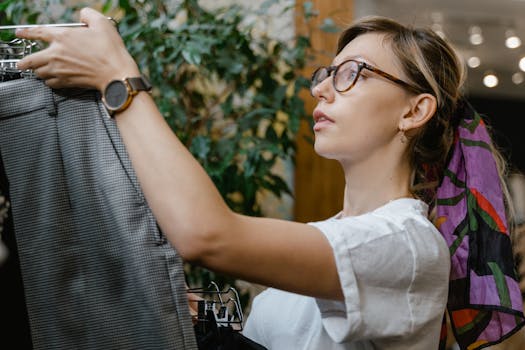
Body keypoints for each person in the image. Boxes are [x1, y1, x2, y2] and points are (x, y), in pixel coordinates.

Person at [15, 7, 525, 350]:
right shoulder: (329, 237)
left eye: (353, 74)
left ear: (414, 110)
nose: (323, 91)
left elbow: (206, 234)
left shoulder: (410, 245)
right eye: (327, 74)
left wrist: (118, 76)